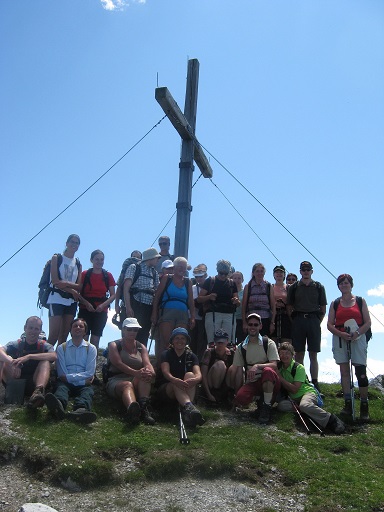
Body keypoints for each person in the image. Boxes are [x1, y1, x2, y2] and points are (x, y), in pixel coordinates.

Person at [327, 274, 372, 420]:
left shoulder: (360, 301)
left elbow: (367, 322)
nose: (344, 285)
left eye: (346, 283)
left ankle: (364, 405)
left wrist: (357, 333)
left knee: (360, 371)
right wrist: (340, 333)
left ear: (351, 284)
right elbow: (329, 324)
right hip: (341, 337)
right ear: (338, 286)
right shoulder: (335, 303)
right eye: (341, 283)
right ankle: (348, 403)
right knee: (344, 371)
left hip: (358, 337)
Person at [277, 342, 345, 434]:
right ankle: (308, 410)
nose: (284, 356)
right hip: (293, 398)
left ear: (292, 355)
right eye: (281, 353)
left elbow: (294, 389)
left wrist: (280, 378)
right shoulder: (280, 368)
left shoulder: (298, 368)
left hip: (307, 393)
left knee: (304, 405)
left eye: (287, 353)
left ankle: (332, 421)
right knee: (281, 406)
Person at [45, 318, 97, 424]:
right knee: (61, 390)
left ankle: (80, 410)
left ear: (85, 331)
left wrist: (72, 379)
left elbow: (90, 372)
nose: (78, 328)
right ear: (70, 330)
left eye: (81, 326)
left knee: (87, 393)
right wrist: (82, 381)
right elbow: (61, 374)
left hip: (80, 382)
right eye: (75, 326)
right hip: (71, 382)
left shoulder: (91, 348)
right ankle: (58, 406)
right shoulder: (61, 348)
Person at [105, 318, 155, 425]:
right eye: (129, 329)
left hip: (135, 379)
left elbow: (147, 363)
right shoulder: (114, 345)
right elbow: (117, 363)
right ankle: (132, 411)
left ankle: (143, 408)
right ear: (123, 330)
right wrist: (136, 373)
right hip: (116, 379)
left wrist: (151, 372)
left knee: (144, 376)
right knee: (127, 385)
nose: (132, 332)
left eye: (135, 330)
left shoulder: (141, 347)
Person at [286, 261, 327, 392]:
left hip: (314, 321)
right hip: (298, 320)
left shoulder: (319, 287)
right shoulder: (294, 287)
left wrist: (316, 321)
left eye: (308, 269)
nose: (306, 271)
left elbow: (323, 308)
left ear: (312, 271)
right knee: (299, 354)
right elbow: (289, 306)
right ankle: (301, 379)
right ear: (300, 271)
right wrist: (295, 320)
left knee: (313, 354)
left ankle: (315, 382)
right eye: (303, 269)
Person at [232, 313, 281, 424]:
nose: (253, 327)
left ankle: (266, 406)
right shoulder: (241, 347)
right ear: (247, 326)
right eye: (250, 324)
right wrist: (237, 392)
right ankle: (261, 401)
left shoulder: (268, 343)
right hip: (252, 382)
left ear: (260, 326)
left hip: (270, 380)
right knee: (241, 398)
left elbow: (274, 365)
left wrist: (258, 366)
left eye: (255, 324)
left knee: (268, 371)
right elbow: (239, 371)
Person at [0, 316, 56, 408]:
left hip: (34, 383)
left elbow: (53, 356)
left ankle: (38, 393)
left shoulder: (44, 346)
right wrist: (12, 362)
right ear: (25, 328)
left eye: (36, 329)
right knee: (2, 360)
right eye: (30, 328)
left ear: (40, 331)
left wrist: (29, 356)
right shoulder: (16, 344)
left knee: (45, 361)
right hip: (15, 380)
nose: (33, 331)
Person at [151, 256, 195, 366]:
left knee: (180, 342)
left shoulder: (187, 282)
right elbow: (157, 297)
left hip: (183, 314)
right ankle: (161, 368)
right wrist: (154, 313)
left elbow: (190, 300)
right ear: (174, 267)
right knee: (165, 342)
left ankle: (176, 368)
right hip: (167, 312)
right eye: (180, 267)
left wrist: (192, 317)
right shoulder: (167, 278)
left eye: (184, 268)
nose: (182, 269)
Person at [159, 327, 204, 427]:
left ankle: (188, 411)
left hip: (185, 388)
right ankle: (189, 407)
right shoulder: (166, 354)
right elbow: (166, 372)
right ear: (172, 341)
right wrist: (175, 380)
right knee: (175, 383)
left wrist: (195, 379)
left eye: (183, 338)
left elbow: (198, 374)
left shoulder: (192, 356)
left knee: (190, 375)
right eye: (177, 338)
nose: (180, 341)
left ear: (186, 341)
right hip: (168, 388)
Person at [46, 234, 83, 347]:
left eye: (77, 243)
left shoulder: (78, 263)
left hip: (70, 302)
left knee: (64, 336)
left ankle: (58, 364)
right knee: (53, 335)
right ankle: (42, 361)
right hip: (56, 298)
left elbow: (79, 285)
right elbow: (56, 281)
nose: (74, 244)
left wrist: (65, 284)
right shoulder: (57, 258)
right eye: (72, 242)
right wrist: (71, 290)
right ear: (66, 243)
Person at [78, 250, 116, 351]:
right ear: (91, 260)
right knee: (83, 337)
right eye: (97, 259)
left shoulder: (108, 275)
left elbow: (113, 295)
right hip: (85, 309)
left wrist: (103, 305)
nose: (99, 262)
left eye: (102, 259)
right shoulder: (85, 274)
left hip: (101, 311)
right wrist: (86, 304)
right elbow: (78, 293)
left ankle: (91, 365)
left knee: (95, 339)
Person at [123, 247, 161, 346]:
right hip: (135, 304)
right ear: (151, 258)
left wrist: (154, 312)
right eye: (156, 258)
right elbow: (126, 288)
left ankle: (140, 358)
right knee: (131, 333)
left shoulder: (154, 273)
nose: (158, 260)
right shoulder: (134, 267)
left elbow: (157, 292)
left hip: (148, 307)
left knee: (144, 334)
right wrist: (128, 307)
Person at [197, 260, 240, 344]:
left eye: (226, 273)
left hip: (229, 314)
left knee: (229, 342)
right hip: (213, 313)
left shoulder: (232, 283)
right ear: (217, 271)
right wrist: (209, 297)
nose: (223, 275)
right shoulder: (210, 281)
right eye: (221, 273)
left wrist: (236, 301)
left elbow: (237, 302)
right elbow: (199, 299)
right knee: (213, 342)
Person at [200, 329, 240, 404]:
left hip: (225, 383)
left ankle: (233, 396)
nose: (220, 344)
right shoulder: (209, 352)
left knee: (238, 367)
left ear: (227, 341)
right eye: (218, 341)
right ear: (215, 342)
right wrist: (208, 394)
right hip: (211, 384)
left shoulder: (231, 353)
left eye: (222, 341)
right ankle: (215, 395)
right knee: (220, 365)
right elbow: (203, 375)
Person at [242, 263, 276, 337]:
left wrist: (272, 322)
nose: (259, 273)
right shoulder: (248, 286)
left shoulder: (268, 286)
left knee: (264, 344)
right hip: (251, 320)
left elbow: (273, 306)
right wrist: (244, 322)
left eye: (261, 271)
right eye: (257, 271)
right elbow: (244, 306)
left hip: (265, 319)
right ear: (253, 273)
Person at [114, 250, 142, 323]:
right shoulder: (124, 272)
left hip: (140, 305)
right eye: (134, 257)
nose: (135, 259)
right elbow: (119, 288)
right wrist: (116, 305)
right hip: (124, 305)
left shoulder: (143, 271)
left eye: (138, 257)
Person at [190, 264, 208, 362]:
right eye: (196, 276)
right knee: (192, 342)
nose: (199, 278)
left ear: (205, 275)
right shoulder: (192, 287)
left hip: (205, 319)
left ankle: (201, 364)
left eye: (201, 276)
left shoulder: (209, 287)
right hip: (194, 318)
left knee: (203, 343)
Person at [271, 265, 291, 346]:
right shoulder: (270, 287)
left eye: (281, 272)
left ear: (284, 274)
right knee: (273, 342)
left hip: (286, 316)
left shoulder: (288, 287)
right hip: (273, 317)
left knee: (286, 343)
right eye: (277, 272)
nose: (279, 274)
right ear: (274, 275)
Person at [232, 271, 246, 344]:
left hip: (241, 319)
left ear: (242, 280)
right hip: (231, 318)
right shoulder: (230, 291)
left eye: (239, 278)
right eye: (235, 278)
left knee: (241, 341)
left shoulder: (245, 292)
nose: (237, 280)